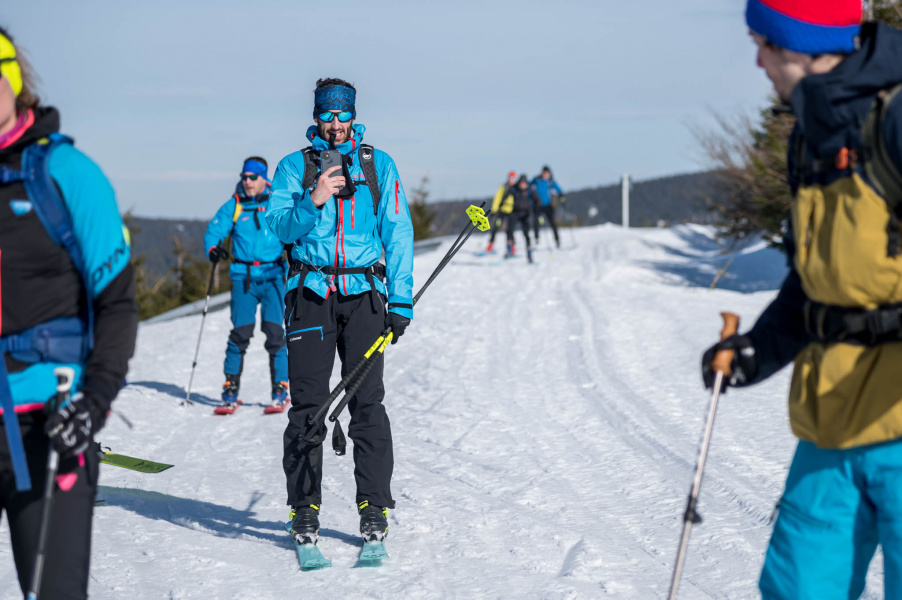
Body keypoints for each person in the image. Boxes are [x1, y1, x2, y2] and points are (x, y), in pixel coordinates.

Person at [701, 2, 902, 597]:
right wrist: (757, 350)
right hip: (833, 422)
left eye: (767, 43)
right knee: (797, 587)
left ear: (809, 43)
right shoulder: (811, 138)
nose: (758, 59)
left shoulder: (895, 122)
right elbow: (817, 280)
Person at [0, 27, 137, 599]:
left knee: (51, 591)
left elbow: (117, 302)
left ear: (12, 81)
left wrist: (95, 400)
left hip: (49, 417)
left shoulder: (65, 173)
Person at [266, 78, 414, 545]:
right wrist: (314, 200)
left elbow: (399, 231)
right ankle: (304, 508)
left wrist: (401, 299)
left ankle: (374, 506)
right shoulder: (294, 167)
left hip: (365, 295)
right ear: (315, 117)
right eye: (326, 115)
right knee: (307, 407)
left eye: (341, 114)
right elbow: (277, 227)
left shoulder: (378, 165)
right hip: (310, 293)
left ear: (352, 115)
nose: (334, 123)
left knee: (367, 404)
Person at [204, 157, 289, 412]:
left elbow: (293, 228)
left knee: (275, 334)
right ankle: (230, 388)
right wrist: (213, 249)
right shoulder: (236, 204)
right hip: (243, 277)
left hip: (274, 275)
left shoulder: (277, 201)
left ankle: (280, 388)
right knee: (240, 333)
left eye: (252, 177)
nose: (247, 181)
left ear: (264, 177)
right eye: (244, 176)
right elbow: (214, 230)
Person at [504, 174, 539, 262]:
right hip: (515, 212)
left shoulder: (530, 190)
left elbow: (537, 200)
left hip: (525, 214)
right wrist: (502, 204)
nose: (523, 185)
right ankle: (509, 249)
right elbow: (506, 195)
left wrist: (536, 207)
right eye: (521, 183)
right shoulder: (514, 189)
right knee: (509, 230)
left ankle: (529, 254)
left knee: (526, 234)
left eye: (524, 183)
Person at [530, 166, 564, 248]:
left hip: (547, 204)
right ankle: (536, 238)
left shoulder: (550, 181)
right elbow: (529, 187)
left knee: (552, 222)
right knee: (536, 221)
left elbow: (558, 189)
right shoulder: (536, 180)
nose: (546, 175)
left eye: (547, 174)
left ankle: (557, 239)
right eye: (544, 173)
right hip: (538, 204)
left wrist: (561, 196)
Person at [485, 171, 516, 253]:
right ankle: (491, 244)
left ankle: (511, 247)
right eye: (510, 178)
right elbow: (497, 198)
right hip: (501, 211)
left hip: (512, 211)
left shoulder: (516, 188)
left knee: (510, 230)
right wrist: (494, 210)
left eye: (513, 178)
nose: (511, 180)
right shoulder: (503, 187)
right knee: (495, 227)